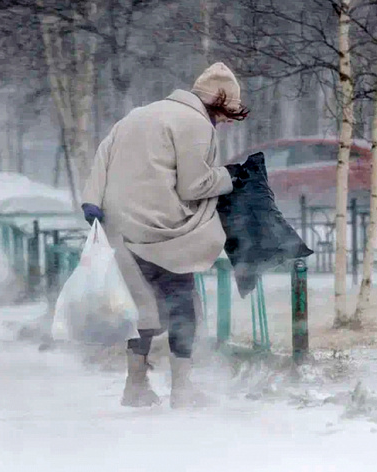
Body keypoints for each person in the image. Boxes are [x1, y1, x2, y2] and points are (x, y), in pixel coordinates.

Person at [81, 62, 250, 408]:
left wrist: (91, 200)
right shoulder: (196, 124)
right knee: (181, 303)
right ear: (218, 104)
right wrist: (230, 176)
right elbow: (193, 185)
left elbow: (103, 154)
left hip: (118, 225)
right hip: (159, 227)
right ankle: (183, 390)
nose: (224, 122)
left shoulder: (138, 115)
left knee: (144, 306)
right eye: (226, 114)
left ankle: (136, 385)